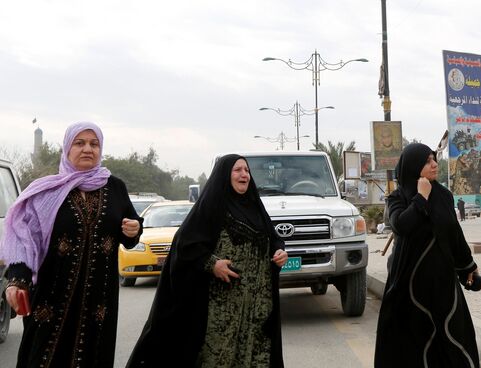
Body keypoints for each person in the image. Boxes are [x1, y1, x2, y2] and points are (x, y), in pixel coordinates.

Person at [0, 122, 143, 367]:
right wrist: (17, 280)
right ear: (67, 149)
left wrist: (134, 229)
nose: (88, 149)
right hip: (51, 297)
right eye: (80, 143)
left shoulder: (115, 187)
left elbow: (130, 234)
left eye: (94, 144)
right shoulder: (46, 191)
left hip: (99, 300)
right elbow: (25, 240)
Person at [127, 154, 288, 368]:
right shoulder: (211, 208)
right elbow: (185, 246)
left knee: (256, 357)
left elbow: (273, 238)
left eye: (246, 170)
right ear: (224, 175)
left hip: (257, 307)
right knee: (219, 358)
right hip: (220, 308)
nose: (244, 175)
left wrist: (279, 251)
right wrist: (212, 264)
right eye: (237, 170)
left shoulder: (256, 208)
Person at [375, 143, 480, 367]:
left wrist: (468, 265)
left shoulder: (443, 195)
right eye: (428, 161)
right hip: (410, 285)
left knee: (453, 337)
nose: (434, 165)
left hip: (443, 282)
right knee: (414, 343)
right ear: (414, 167)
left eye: (434, 159)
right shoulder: (397, 198)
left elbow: (453, 233)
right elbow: (402, 226)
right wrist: (421, 198)